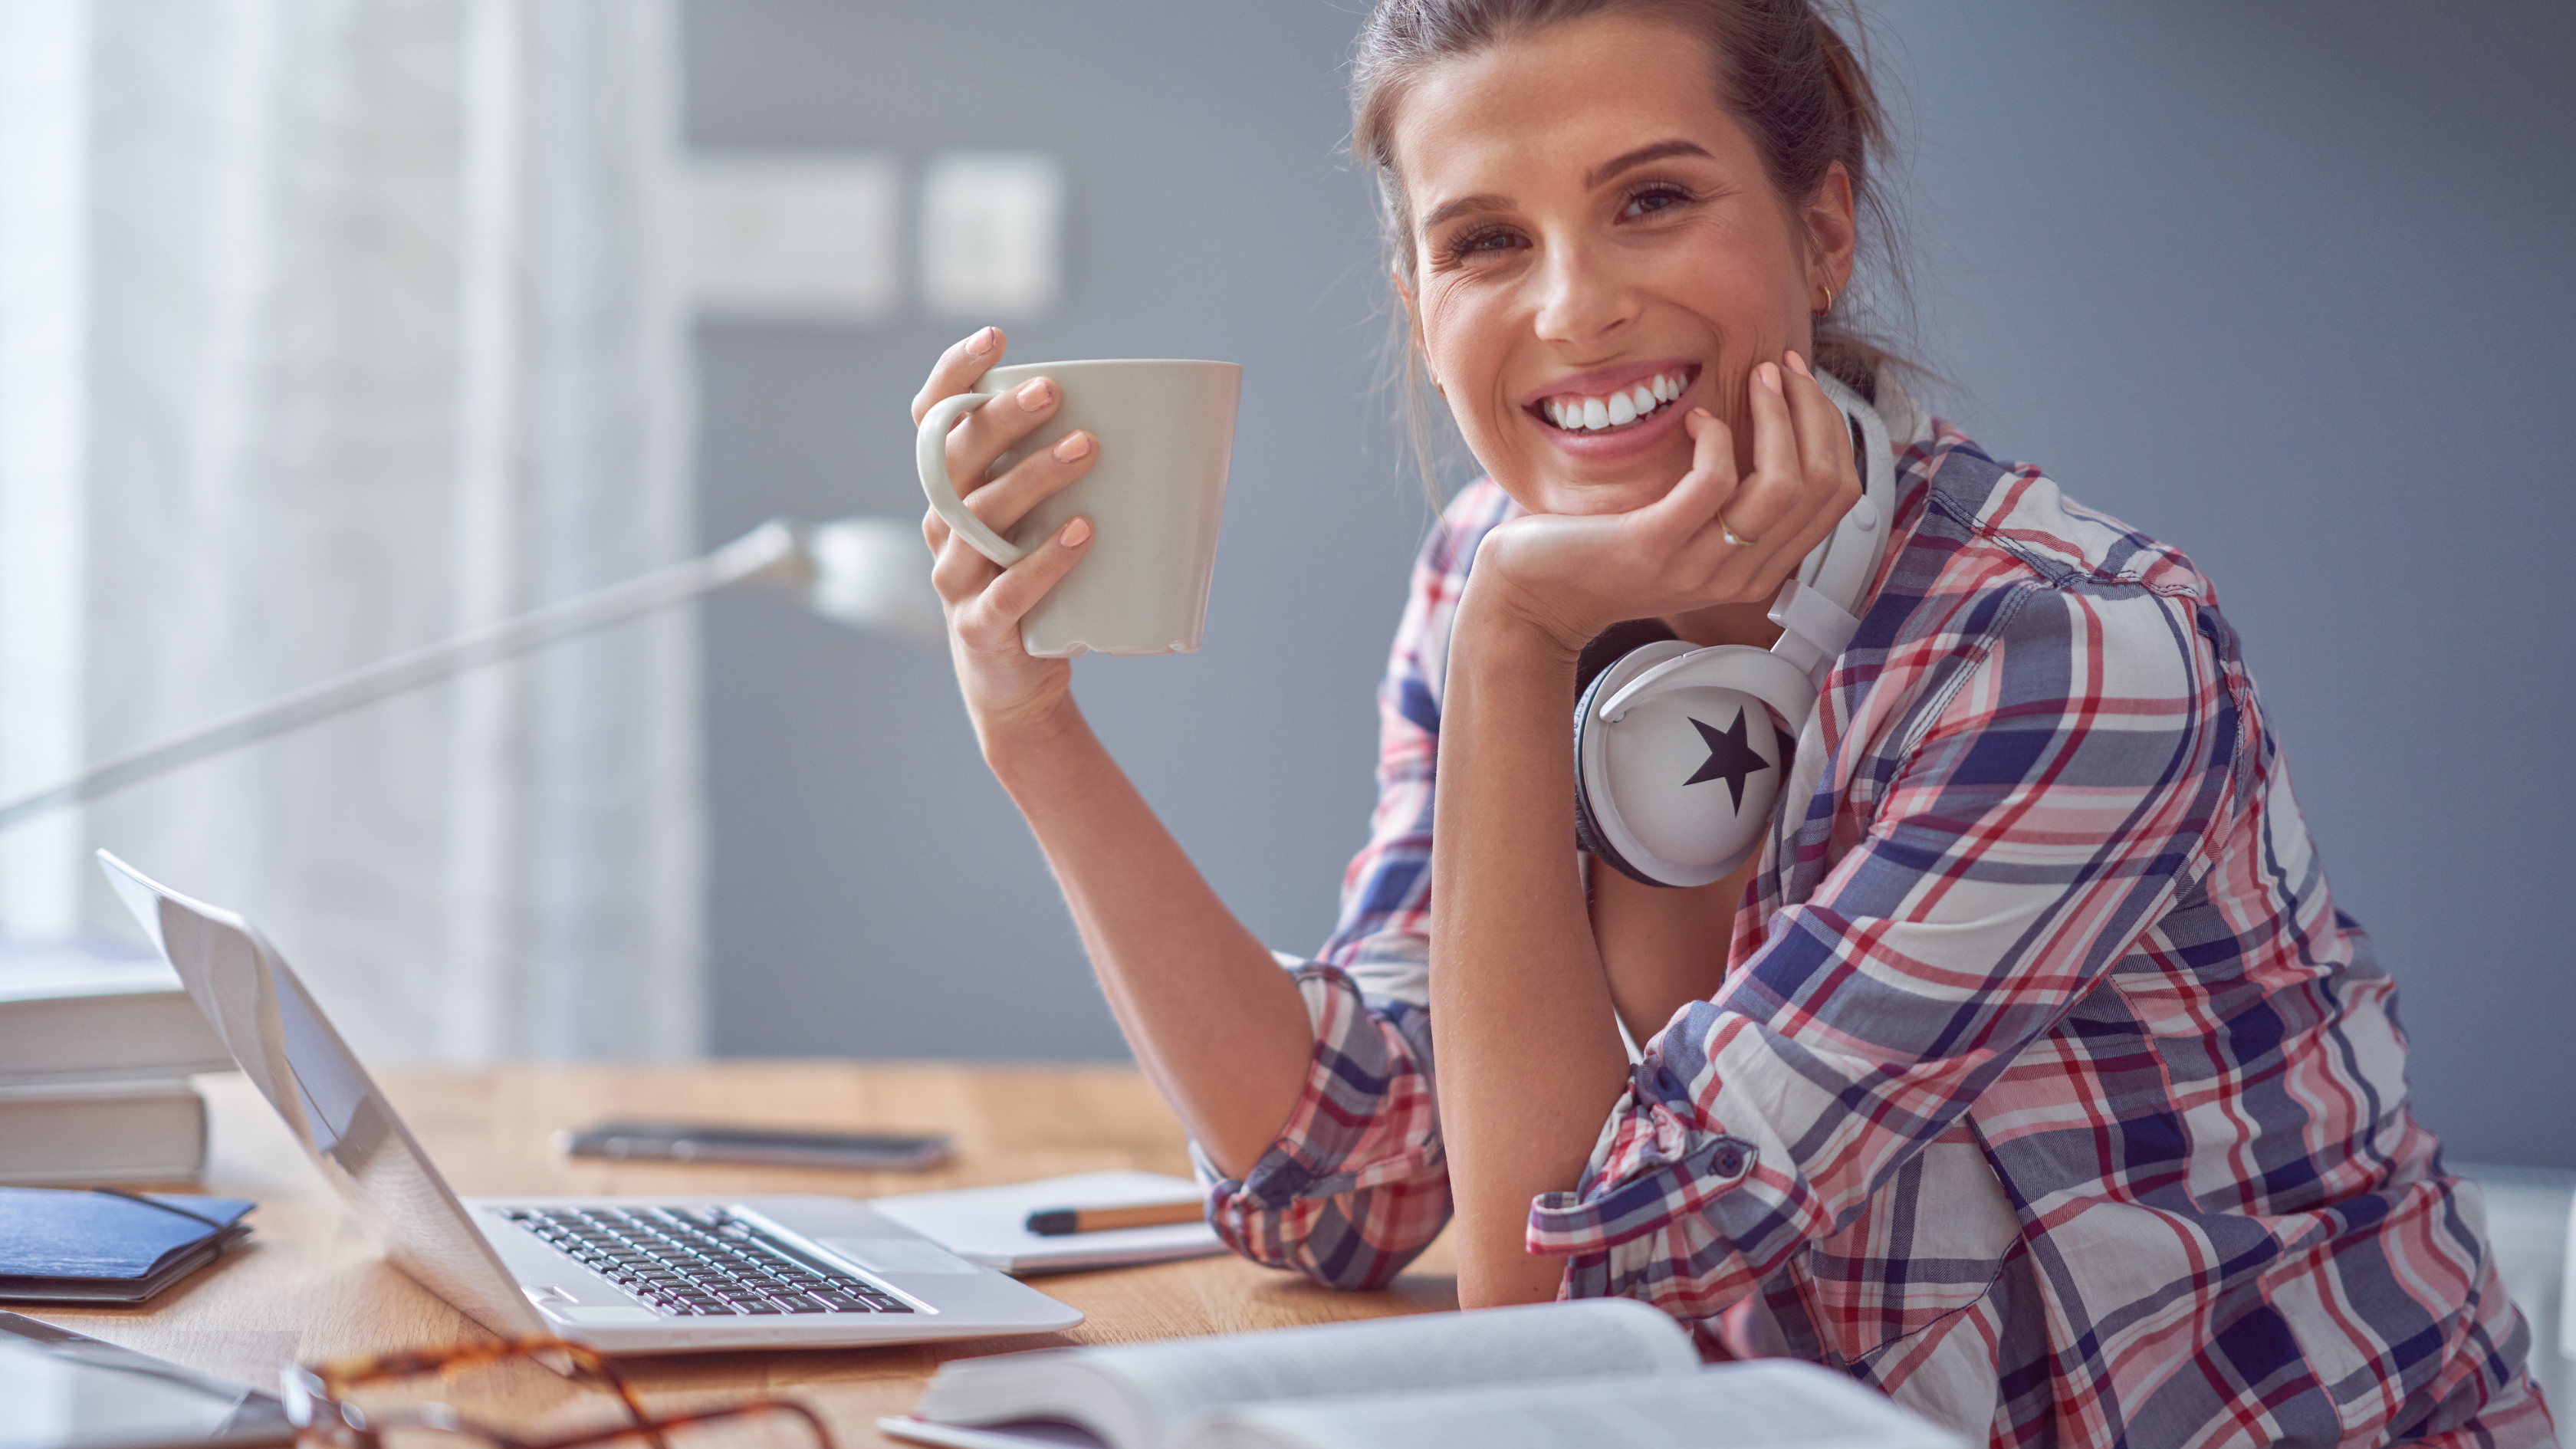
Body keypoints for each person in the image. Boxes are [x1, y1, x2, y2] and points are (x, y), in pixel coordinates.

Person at [909, 2, 2546, 1443]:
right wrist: (1035, 737)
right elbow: (1352, 1175)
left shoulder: (2058, 655)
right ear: (1416, 305)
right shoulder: (1494, 570)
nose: (1573, 307)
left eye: (1654, 201)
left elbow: (1550, 1300)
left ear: (1822, 229)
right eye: (1486, 241)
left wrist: (1513, 651)